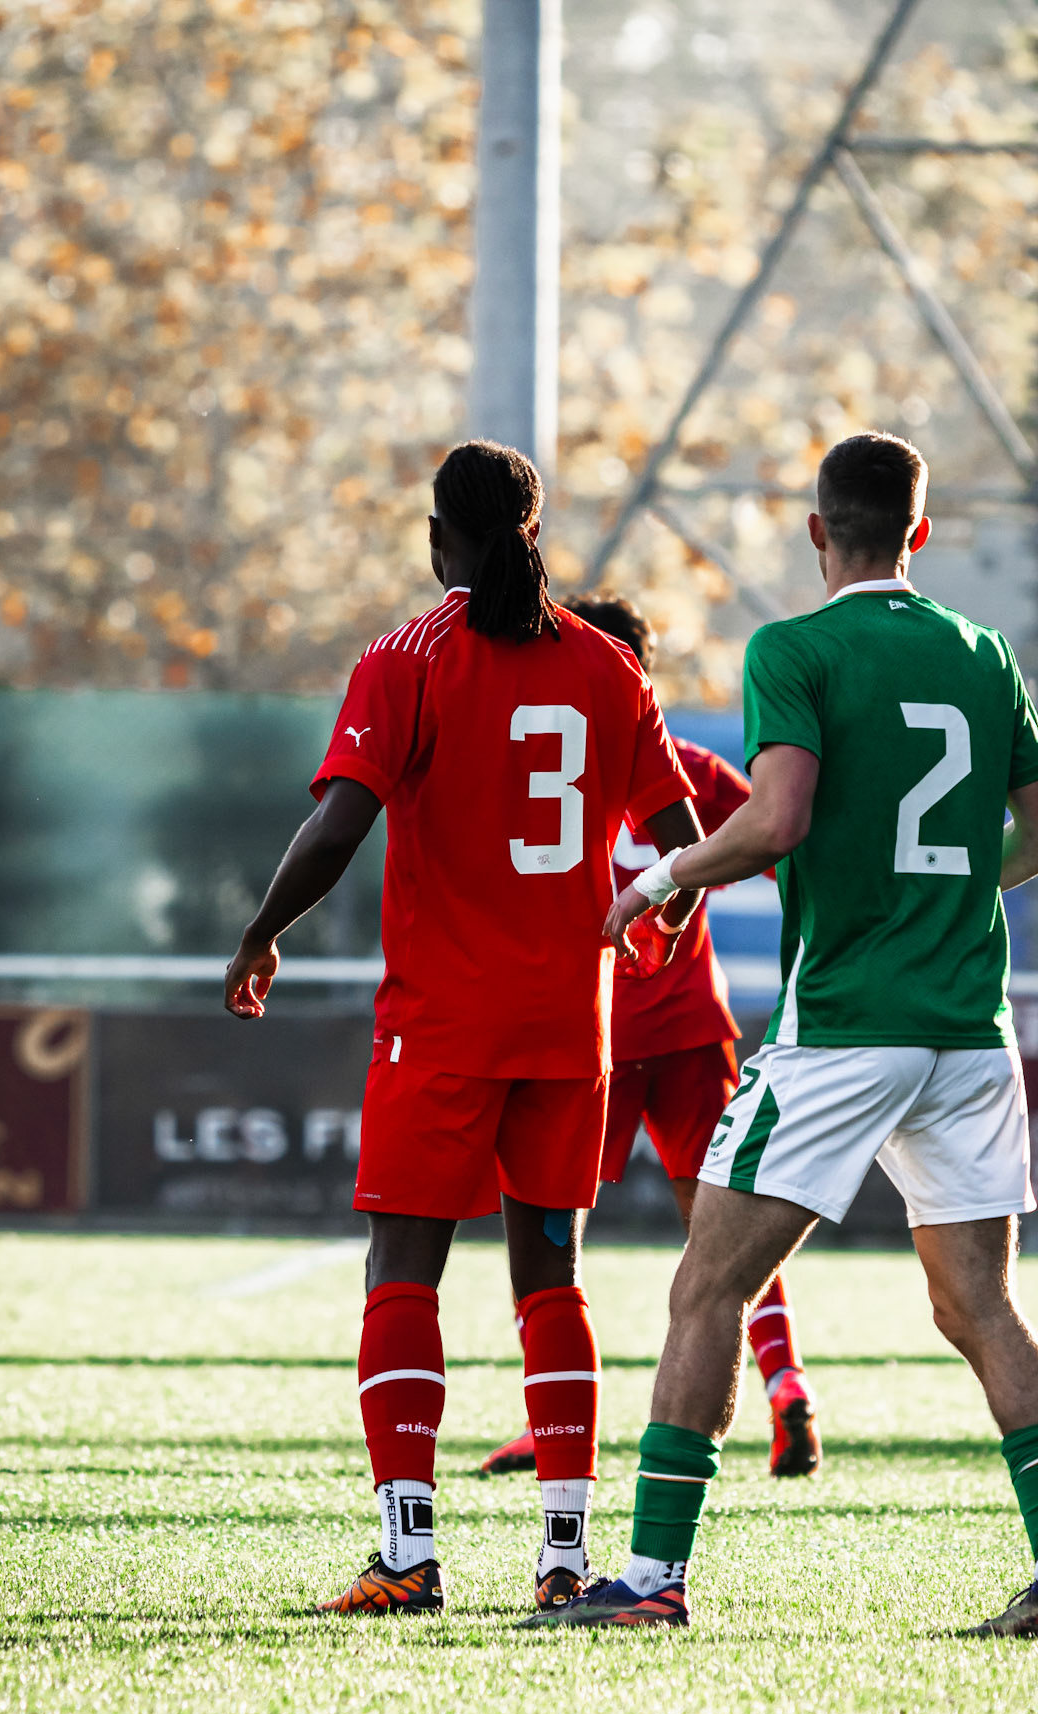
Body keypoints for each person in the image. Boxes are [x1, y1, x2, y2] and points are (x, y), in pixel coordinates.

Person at [524, 429, 1038, 1639]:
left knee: (707, 1284)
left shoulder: (793, 646)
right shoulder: (984, 651)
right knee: (980, 1306)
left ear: (815, 532)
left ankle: (648, 1577)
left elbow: (776, 818)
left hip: (845, 1027)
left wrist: (662, 877)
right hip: (965, 1028)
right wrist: (940, 897)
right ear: (921, 531)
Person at [224, 439, 700, 1618]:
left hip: (440, 1026)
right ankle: (561, 1558)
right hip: (565, 1027)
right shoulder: (608, 668)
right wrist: (648, 920)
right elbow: (681, 845)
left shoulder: (405, 658)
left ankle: (408, 1552)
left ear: (440, 537)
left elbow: (339, 826)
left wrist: (260, 931)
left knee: (404, 1271)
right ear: (533, 530)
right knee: (553, 1277)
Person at [480, 591, 820, 1483]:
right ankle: (786, 1389)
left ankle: (547, 1420)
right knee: (720, 1227)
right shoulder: (696, 769)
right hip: (686, 1028)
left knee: (554, 1229)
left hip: (586, 1030)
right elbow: (779, 843)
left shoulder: (557, 759)